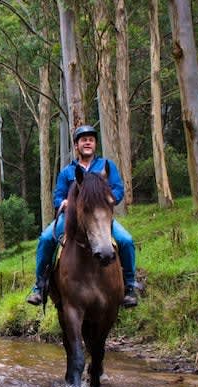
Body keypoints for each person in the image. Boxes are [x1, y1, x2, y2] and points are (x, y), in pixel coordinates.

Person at [25, 125, 141, 308]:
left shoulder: (106, 166)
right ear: (76, 145)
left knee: (126, 240)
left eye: (91, 139)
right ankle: (39, 286)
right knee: (46, 239)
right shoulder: (67, 172)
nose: (88, 142)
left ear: (95, 144)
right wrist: (62, 203)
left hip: (100, 218)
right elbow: (57, 196)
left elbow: (118, 189)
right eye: (83, 139)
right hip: (72, 217)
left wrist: (109, 198)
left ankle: (130, 286)